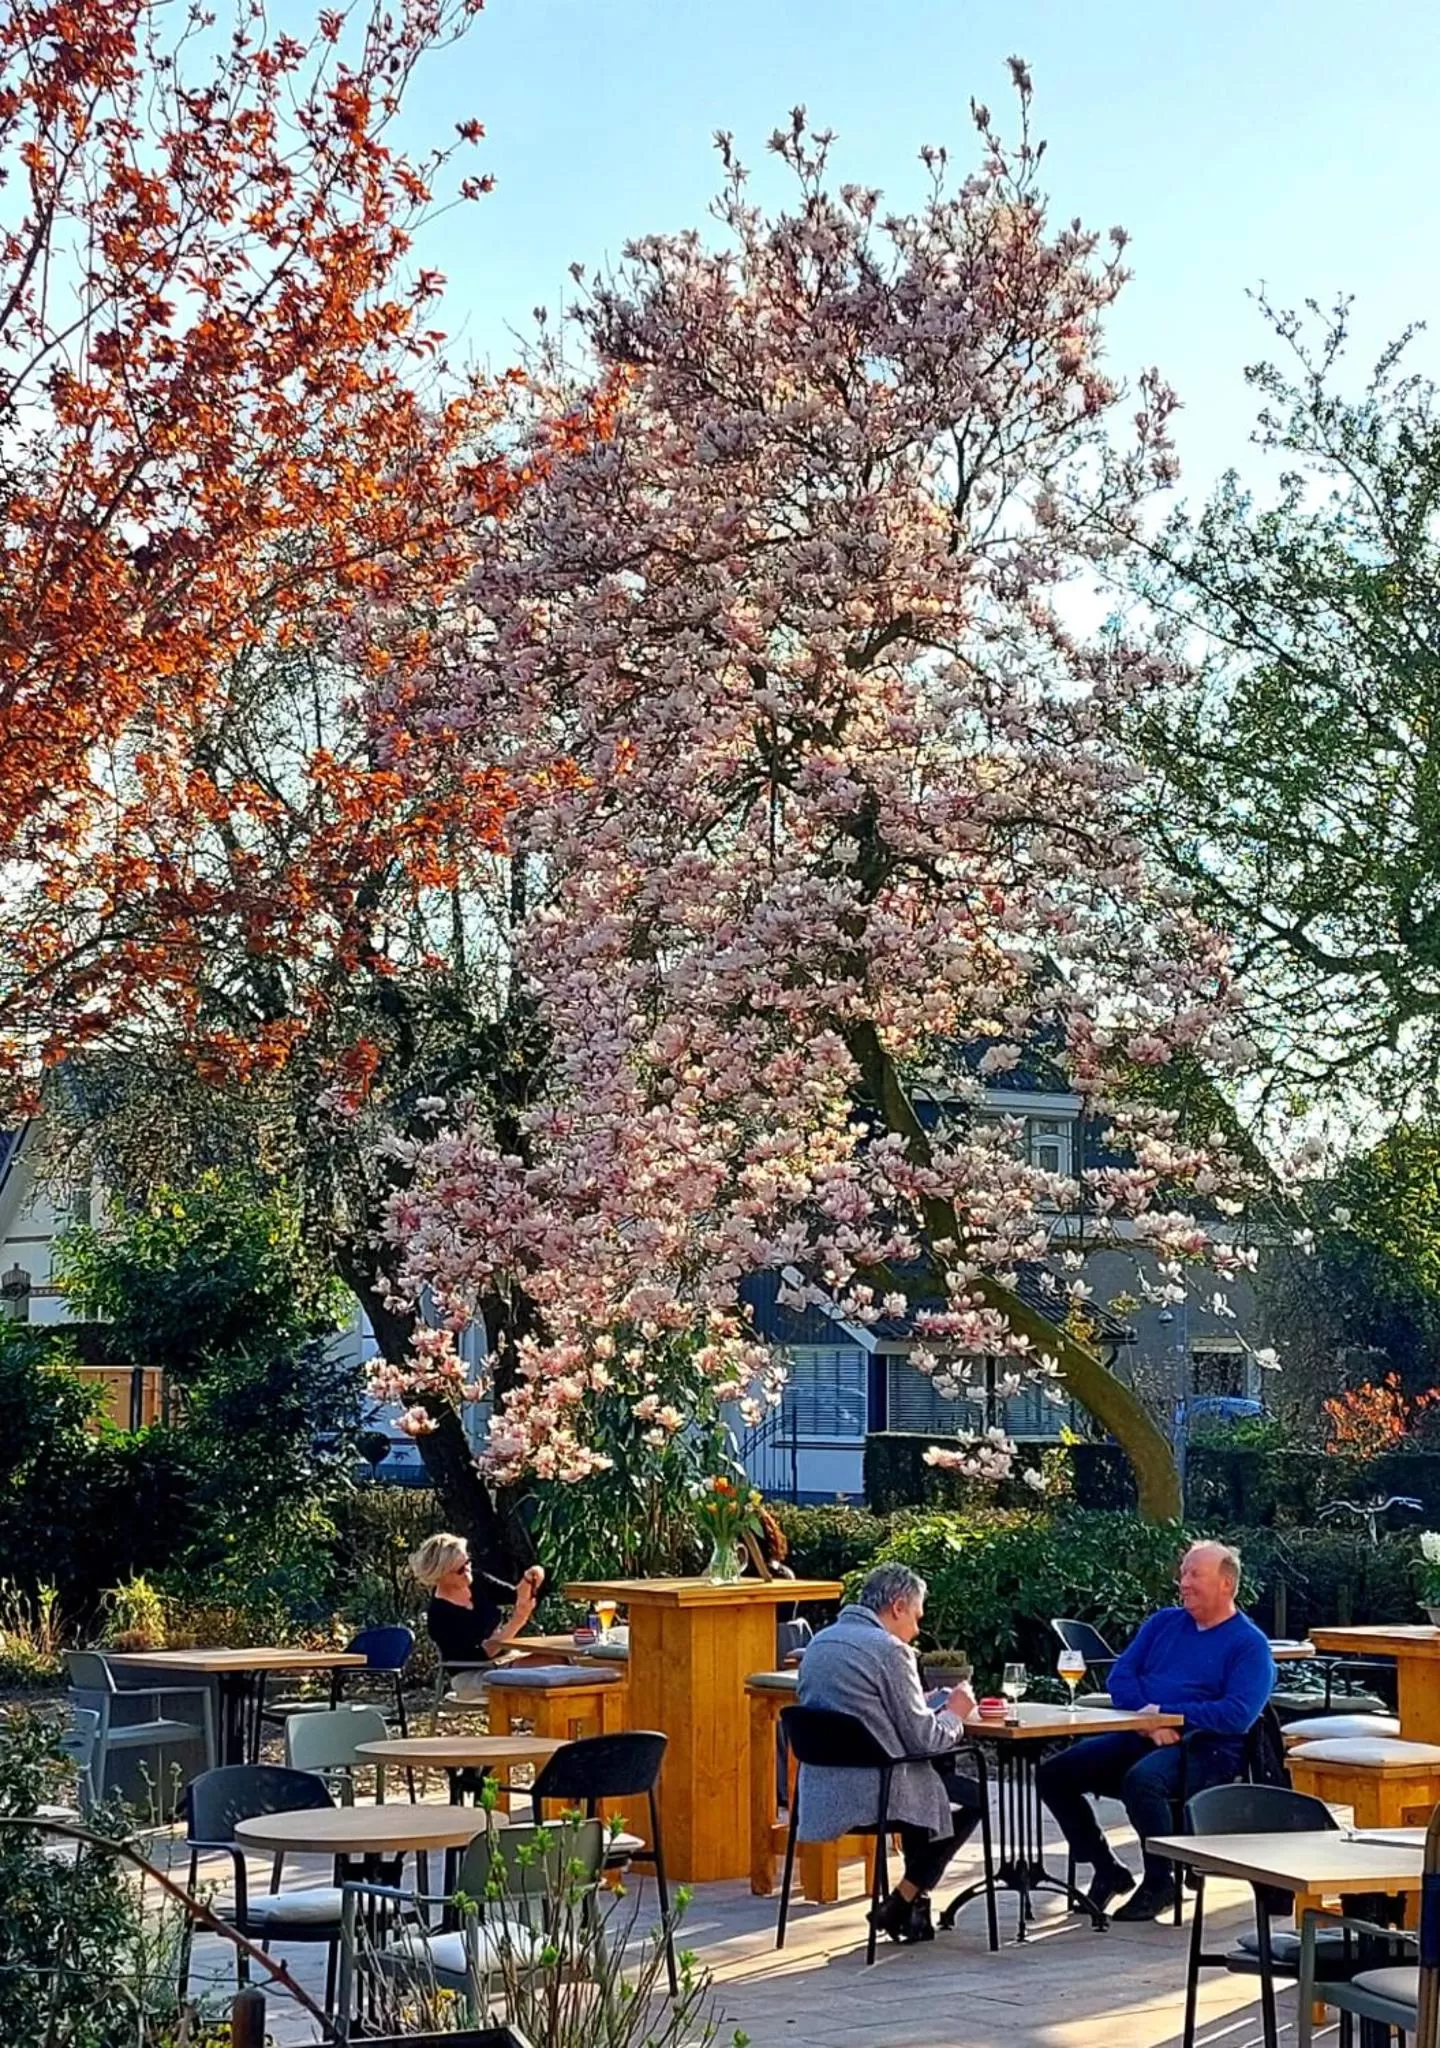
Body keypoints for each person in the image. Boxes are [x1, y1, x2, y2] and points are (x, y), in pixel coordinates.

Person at [1037, 1540, 1275, 1922]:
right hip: (1143, 1734)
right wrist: (1151, 1723)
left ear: (1226, 1584)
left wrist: (1169, 1716)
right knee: (1054, 1774)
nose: (1184, 1583)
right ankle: (1106, 1867)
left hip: (1207, 1749)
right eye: (1183, 1574)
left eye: (1195, 1574)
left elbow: (1237, 1715)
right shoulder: (1164, 1623)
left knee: (1144, 1781)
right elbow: (1120, 1678)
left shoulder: (1250, 1645)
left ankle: (1160, 1881)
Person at [796, 1562, 984, 1944]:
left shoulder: (820, 1642)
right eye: (916, 1617)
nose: (916, 1631)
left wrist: (920, 1702)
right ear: (898, 1606)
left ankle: (910, 1912)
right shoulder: (890, 1651)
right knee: (972, 1797)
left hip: (821, 1787)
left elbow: (858, 1710)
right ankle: (903, 1899)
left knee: (933, 1786)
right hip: (876, 1787)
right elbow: (926, 1741)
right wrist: (956, 1711)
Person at [410, 1533, 547, 1699]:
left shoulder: (478, 1582)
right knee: (546, 1670)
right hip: (472, 1674)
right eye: (460, 1570)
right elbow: (483, 1653)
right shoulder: (439, 1616)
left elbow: (515, 1595)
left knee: (560, 1661)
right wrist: (517, 1620)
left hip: (504, 1660)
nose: (467, 1570)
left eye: (468, 1562)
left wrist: (531, 1577)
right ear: (440, 1576)